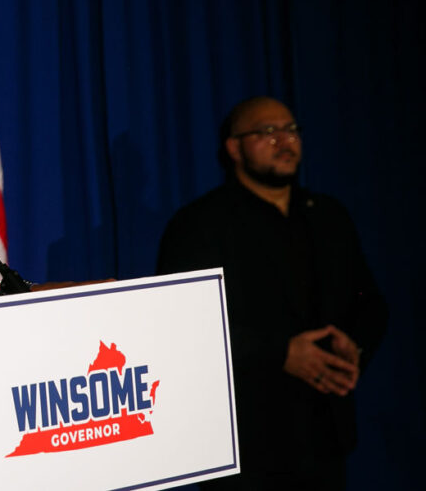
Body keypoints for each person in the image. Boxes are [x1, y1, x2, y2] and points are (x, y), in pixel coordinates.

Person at [156, 96, 387, 489]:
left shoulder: (328, 214)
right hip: (246, 445)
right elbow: (184, 325)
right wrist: (280, 353)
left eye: (292, 130)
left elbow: (370, 303)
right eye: (268, 132)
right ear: (234, 147)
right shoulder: (200, 224)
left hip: (325, 435)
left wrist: (355, 345)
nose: (285, 140)